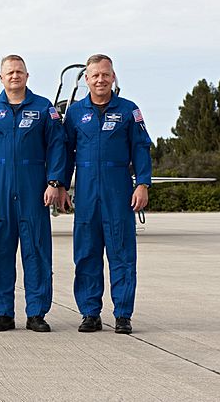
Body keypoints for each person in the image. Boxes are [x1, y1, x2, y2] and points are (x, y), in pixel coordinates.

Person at [0, 55, 66, 333]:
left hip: (33, 189)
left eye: (19, 71)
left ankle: (36, 313)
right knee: (0, 250)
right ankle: (3, 313)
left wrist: (54, 182)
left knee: (36, 251)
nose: (15, 76)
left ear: (27, 75)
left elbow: (57, 145)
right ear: (1, 78)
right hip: (0, 189)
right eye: (9, 72)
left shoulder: (43, 108)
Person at [61, 54, 151, 335]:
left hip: (118, 191)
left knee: (122, 254)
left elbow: (141, 148)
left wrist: (143, 184)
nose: (100, 80)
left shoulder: (128, 110)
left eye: (105, 74)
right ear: (87, 79)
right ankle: (90, 313)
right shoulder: (75, 113)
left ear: (113, 77)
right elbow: (66, 152)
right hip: (86, 194)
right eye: (95, 75)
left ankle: (123, 314)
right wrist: (61, 185)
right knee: (86, 255)